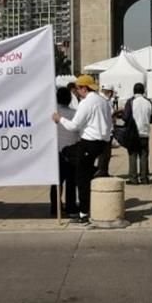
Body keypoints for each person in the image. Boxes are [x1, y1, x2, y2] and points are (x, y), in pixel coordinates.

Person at [52, 75, 112, 224]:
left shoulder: (87, 103)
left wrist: (59, 119)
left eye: (78, 89)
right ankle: (92, 172)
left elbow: (74, 126)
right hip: (102, 143)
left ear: (84, 88)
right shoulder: (103, 101)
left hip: (89, 142)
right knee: (76, 166)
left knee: (81, 178)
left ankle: (84, 213)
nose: (77, 92)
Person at [50, 86, 79, 217]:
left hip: (55, 152)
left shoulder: (51, 114)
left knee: (56, 182)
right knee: (71, 182)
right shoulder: (74, 114)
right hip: (71, 152)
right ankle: (71, 207)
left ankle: (55, 207)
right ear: (69, 100)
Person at [121, 82, 152, 185]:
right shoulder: (148, 102)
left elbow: (126, 117)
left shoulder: (131, 102)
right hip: (145, 132)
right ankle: (144, 178)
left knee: (132, 155)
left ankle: (133, 178)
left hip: (133, 133)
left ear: (134, 91)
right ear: (143, 91)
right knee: (144, 155)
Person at [95, 85, 115, 177]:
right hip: (105, 131)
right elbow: (109, 114)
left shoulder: (103, 100)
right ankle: (101, 172)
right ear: (110, 92)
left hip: (105, 130)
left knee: (106, 154)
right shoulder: (104, 101)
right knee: (104, 154)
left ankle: (104, 171)